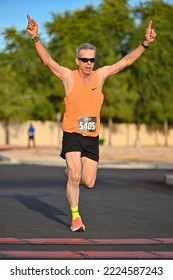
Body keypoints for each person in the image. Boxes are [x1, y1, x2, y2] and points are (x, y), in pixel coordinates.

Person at [26, 14, 156, 232]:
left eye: (91, 60)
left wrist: (145, 44)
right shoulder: (68, 77)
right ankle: (76, 217)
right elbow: (47, 61)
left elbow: (126, 61)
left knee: (89, 181)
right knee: (76, 175)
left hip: (92, 136)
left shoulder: (100, 76)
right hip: (72, 134)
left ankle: (71, 174)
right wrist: (35, 38)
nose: (88, 63)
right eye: (84, 59)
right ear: (77, 60)